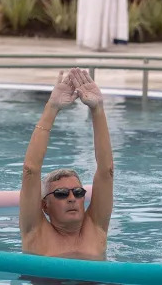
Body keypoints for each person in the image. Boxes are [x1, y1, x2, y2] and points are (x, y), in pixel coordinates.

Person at [19, 68, 114, 260]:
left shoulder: (96, 228)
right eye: (61, 194)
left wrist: (98, 110)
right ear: (44, 206)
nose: (72, 198)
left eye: (78, 193)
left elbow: (107, 171)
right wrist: (52, 108)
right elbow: (31, 170)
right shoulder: (35, 232)